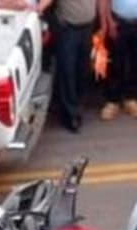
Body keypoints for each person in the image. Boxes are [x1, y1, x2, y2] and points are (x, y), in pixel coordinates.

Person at [39, 0, 109, 132]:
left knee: (82, 70)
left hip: (88, 28)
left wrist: (103, 23)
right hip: (68, 29)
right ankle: (70, 114)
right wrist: (38, 7)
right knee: (67, 71)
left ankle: (77, 106)